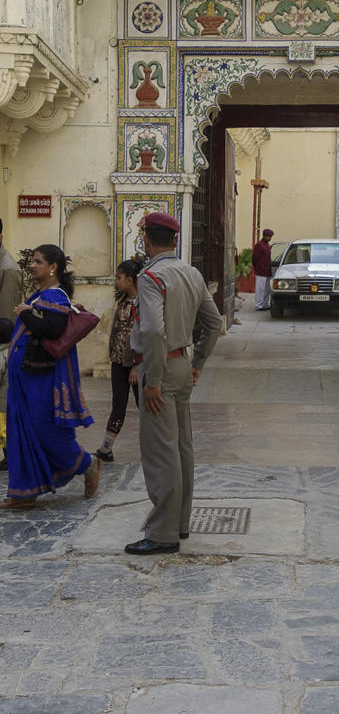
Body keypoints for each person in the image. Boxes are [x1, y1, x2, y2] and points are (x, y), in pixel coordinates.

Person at [125, 212, 222, 554]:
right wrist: (197, 364)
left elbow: (152, 330)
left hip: (161, 370)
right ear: (175, 240)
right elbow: (214, 324)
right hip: (181, 364)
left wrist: (152, 380)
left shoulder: (151, 277)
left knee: (160, 451)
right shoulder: (191, 273)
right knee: (181, 448)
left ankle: (162, 533)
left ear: (146, 240)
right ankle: (179, 524)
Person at [1, 245, 99, 509]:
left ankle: (87, 464)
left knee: (45, 430)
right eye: (32, 260)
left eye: (38, 261)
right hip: (27, 378)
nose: (32, 265)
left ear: (52, 267)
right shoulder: (41, 294)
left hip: (41, 380)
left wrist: (24, 313)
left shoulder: (55, 295)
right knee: (21, 431)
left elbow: (53, 330)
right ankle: (24, 492)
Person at [94, 260, 143, 462]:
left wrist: (136, 365)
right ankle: (106, 449)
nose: (116, 282)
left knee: (145, 406)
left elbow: (144, 336)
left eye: (118, 278)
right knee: (118, 404)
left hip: (136, 366)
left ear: (130, 280)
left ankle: (156, 447)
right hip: (118, 362)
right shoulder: (123, 300)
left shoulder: (143, 304)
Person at [0, 218, 23, 472]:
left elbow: (5, 319)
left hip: (3, 346)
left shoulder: (8, 269)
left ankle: (11, 454)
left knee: (3, 404)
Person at [252, 228, 274, 311]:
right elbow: (255, 258)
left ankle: (265, 303)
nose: (269, 238)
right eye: (268, 236)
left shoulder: (268, 246)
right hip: (261, 270)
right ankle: (259, 305)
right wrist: (256, 267)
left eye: (270, 236)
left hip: (267, 270)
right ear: (264, 236)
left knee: (267, 289)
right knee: (260, 288)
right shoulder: (259, 245)